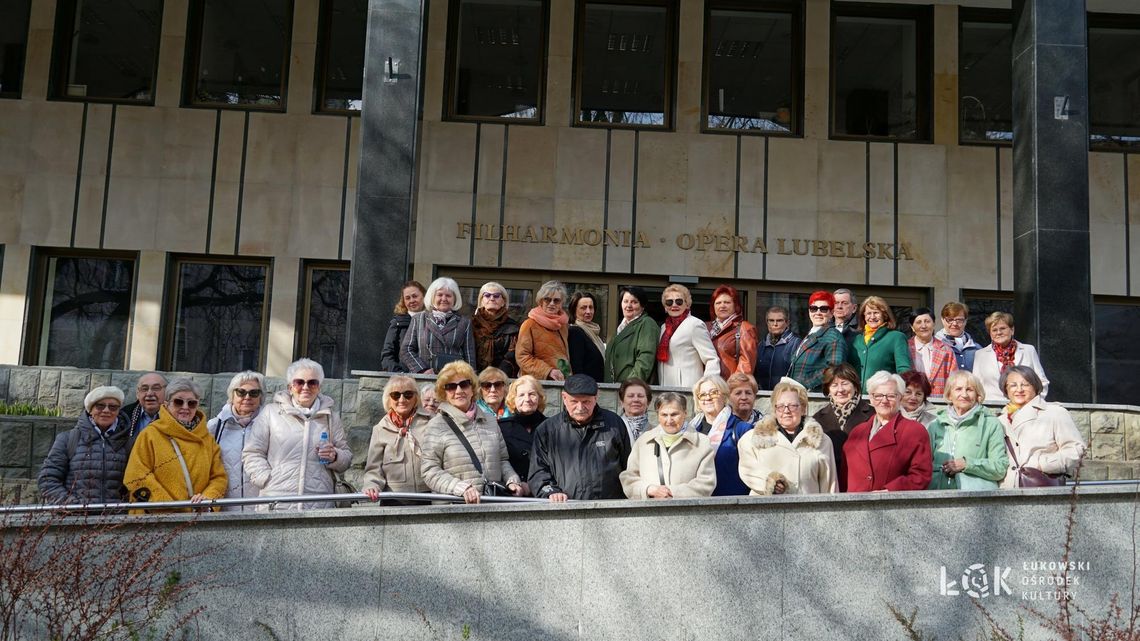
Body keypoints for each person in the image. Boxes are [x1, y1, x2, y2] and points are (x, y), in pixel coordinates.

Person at [242, 358, 353, 510]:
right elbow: (252, 452)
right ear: (290, 387)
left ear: (319, 387)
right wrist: (266, 479)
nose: (305, 387)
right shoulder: (271, 412)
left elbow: (346, 457)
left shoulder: (331, 418)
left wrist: (335, 456)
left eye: (312, 383)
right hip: (276, 501)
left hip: (319, 503)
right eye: (299, 382)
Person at [420, 361, 526, 503]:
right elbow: (429, 470)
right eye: (451, 386)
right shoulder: (436, 425)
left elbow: (502, 460)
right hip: (454, 507)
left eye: (464, 384)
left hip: (491, 504)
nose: (458, 391)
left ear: (472, 388)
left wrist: (512, 480)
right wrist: (460, 488)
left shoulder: (490, 420)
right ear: (444, 393)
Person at [124, 378, 227, 512]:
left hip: (197, 520)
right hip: (156, 520)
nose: (185, 407)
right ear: (166, 405)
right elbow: (136, 475)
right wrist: (166, 505)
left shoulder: (207, 439)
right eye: (178, 402)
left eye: (191, 403)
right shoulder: (150, 434)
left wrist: (207, 500)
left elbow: (218, 477)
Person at [529, 374, 631, 501]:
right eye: (574, 401)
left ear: (596, 397)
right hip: (565, 508)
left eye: (586, 402)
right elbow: (538, 472)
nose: (580, 407)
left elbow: (629, 468)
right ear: (564, 398)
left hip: (610, 509)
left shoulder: (614, 424)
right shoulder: (548, 430)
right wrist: (551, 492)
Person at [738, 378, 837, 495]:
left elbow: (830, 486)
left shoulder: (822, 441)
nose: (786, 411)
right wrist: (769, 482)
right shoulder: (753, 438)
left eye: (793, 406)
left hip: (807, 511)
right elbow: (747, 470)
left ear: (803, 408)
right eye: (780, 406)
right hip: (765, 511)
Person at [38, 386, 131, 505]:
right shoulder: (67, 439)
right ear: (90, 410)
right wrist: (70, 505)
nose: (106, 410)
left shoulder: (129, 442)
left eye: (113, 407)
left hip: (117, 519)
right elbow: (47, 479)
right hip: (76, 518)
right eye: (100, 406)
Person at [997, 365, 1086, 489]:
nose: (1019, 389)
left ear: (1035, 386)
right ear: (1005, 390)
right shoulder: (1000, 419)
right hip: (1007, 489)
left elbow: (1077, 449)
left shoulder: (1054, 412)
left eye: (1025, 384)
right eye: (1013, 385)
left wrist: (1043, 464)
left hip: (1041, 485)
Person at [843, 371, 932, 492]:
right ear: (871, 398)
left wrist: (890, 492)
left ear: (900, 398)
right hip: (854, 505)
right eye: (878, 395)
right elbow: (844, 474)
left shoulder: (914, 431)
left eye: (891, 396)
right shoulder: (858, 432)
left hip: (891, 506)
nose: (884, 400)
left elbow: (921, 475)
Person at [620, 393, 716, 500]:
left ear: (685, 413)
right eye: (664, 415)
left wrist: (670, 492)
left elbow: (706, 482)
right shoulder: (643, 441)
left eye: (674, 414)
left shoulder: (702, 443)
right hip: (649, 513)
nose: (669, 420)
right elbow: (628, 478)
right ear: (658, 415)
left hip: (687, 513)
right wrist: (648, 490)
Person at [927, 371, 1009, 491]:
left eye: (970, 390)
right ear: (949, 395)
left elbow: (1000, 468)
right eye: (958, 389)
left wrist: (967, 464)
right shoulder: (935, 425)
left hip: (975, 499)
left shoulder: (991, 423)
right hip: (937, 497)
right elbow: (923, 466)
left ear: (977, 395)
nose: (964, 394)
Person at [361, 375, 432, 502]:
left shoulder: (431, 422)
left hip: (429, 496)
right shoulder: (380, 429)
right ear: (388, 399)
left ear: (416, 397)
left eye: (408, 394)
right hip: (393, 499)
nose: (402, 399)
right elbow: (373, 468)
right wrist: (372, 485)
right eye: (396, 395)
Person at [206, 371, 265, 510]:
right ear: (232, 395)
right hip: (224, 509)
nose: (247, 397)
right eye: (241, 392)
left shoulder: (272, 426)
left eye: (254, 393)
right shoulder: (214, 426)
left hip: (260, 509)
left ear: (261, 397)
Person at [686, 374, 752, 496]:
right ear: (698, 401)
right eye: (703, 395)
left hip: (731, 505)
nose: (708, 398)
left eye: (714, 392)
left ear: (724, 396)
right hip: (696, 504)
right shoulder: (690, 431)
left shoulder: (741, 429)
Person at [400, 277, 475, 375]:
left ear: (454, 299)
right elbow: (406, 350)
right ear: (432, 297)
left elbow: (469, 356)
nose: (444, 299)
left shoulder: (464, 323)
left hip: (453, 380)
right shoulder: (418, 319)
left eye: (448, 295)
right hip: (424, 379)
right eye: (439, 295)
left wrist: (469, 378)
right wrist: (422, 370)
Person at [973, 312, 1050, 402]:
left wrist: (1035, 403)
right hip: (992, 408)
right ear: (990, 334)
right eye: (994, 330)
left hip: (1024, 406)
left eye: (1003, 328)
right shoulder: (980, 354)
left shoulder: (1028, 350)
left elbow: (1042, 381)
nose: (999, 332)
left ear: (1012, 330)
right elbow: (975, 385)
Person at [657, 284, 718, 388]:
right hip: (666, 389)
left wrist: (707, 386)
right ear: (665, 307)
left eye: (679, 301)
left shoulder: (695, 325)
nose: (674, 305)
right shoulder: (663, 328)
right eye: (669, 302)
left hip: (688, 389)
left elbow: (711, 359)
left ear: (687, 304)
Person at [785, 291, 847, 392]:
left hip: (816, 397)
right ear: (809, 312)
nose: (818, 313)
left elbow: (835, 369)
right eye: (813, 309)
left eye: (823, 309)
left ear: (831, 313)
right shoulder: (812, 333)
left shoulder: (833, 336)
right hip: (799, 395)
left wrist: (803, 383)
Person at [846, 295, 912, 388]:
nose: (872, 317)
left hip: (882, 397)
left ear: (884, 315)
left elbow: (904, 369)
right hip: (856, 397)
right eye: (868, 313)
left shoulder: (896, 337)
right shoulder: (855, 339)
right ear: (863, 316)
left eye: (876, 313)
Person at [498, 375, 549, 493]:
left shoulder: (552, 426)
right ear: (513, 400)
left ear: (539, 398)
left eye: (532, 394)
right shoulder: (502, 428)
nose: (527, 399)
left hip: (547, 492)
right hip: (515, 493)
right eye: (521, 395)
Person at [516, 280, 571, 381]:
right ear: (541, 301)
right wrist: (548, 371)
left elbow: (563, 357)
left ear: (561, 303)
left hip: (561, 382)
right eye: (547, 299)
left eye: (556, 300)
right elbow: (522, 357)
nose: (551, 303)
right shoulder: (529, 324)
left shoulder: (562, 325)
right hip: (536, 383)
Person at [604, 286, 659, 383]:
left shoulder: (647, 324)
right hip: (615, 388)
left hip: (632, 390)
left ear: (642, 306)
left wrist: (630, 385)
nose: (628, 305)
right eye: (625, 301)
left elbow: (645, 359)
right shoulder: (620, 328)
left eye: (634, 302)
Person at [706, 285, 758, 380]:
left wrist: (735, 387)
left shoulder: (745, 328)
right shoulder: (705, 328)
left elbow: (746, 366)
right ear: (713, 307)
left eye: (727, 302)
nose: (722, 306)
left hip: (729, 388)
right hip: (707, 387)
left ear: (735, 305)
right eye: (718, 303)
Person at [471, 281, 520, 376]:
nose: (492, 298)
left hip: (502, 380)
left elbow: (512, 357)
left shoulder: (513, 327)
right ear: (481, 300)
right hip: (474, 379)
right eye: (487, 295)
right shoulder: (471, 324)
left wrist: (495, 377)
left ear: (503, 301)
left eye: (497, 296)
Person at [907, 307, 958, 396]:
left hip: (939, 403)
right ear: (912, 327)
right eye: (919, 322)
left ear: (934, 324)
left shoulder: (946, 351)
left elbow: (954, 381)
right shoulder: (905, 348)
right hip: (910, 401)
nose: (923, 326)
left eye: (927, 321)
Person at [380, 280, 426, 373]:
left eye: (415, 296)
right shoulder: (397, 323)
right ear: (403, 301)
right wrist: (399, 374)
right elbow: (387, 355)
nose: (412, 300)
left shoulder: (433, 320)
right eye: (407, 298)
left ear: (424, 296)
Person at [755, 305, 801, 390]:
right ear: (767, 322)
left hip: (786, 396)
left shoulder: (796, 343)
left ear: (787, 322)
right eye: (771, 320)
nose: (775, 324)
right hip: (763, 396)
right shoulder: (761, 346)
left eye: (779, 321)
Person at [567, 291, 605, 381]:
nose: (588, 311)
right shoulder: (575, 332)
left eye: (591, 307)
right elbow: (577, 368)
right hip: (585, 390)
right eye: (583, 308)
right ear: (574, 310)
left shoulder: (594, 333)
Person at [935, 301, 982, 371]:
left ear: (965, 321)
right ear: (942, 320)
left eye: (959, 320)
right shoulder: (934, 346)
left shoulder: (977, 349)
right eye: (950, 320)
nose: (954, 323)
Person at [122, 371, 166, 444]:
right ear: (137, 394)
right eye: (145, 389)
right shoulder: (125, 415)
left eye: (156, 388)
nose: (149, 393)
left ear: (167, 392)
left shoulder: (174, 416)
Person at [618, 378, 652, 443]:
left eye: (640, 396)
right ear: (622, 402)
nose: (636, 399)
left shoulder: (657, 432)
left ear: (648, 402)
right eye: (631, 396)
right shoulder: (613, 430)